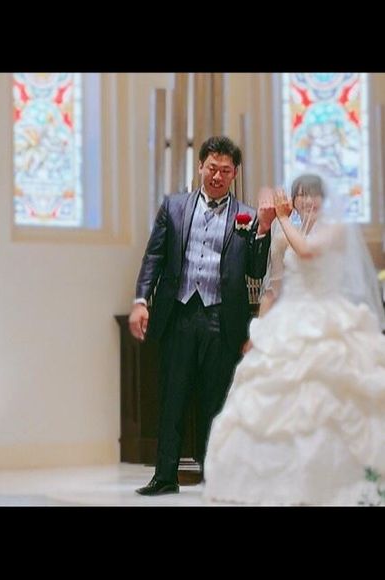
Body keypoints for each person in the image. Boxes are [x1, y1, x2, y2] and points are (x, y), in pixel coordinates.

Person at [203, 173, 385, 506]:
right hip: (288, 318)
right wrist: (258, 330)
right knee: (269, 401)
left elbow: (307, 251)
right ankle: (274, 483)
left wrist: (283, 218)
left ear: (324, 200)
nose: (307, 201)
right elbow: (274, 286)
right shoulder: (286, 230)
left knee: (327, 398)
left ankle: (337, 481)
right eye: (301, 195)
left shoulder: (336, 228)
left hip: (326, 317)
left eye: (313, 195)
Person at [129, 135, 274, 496]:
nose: (217, 176)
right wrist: (141, 300)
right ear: (200, 167)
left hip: (222, 318)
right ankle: (165, 476)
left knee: (216, 402)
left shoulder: (246, 215)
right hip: (178, 313)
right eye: (212, 168)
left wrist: (263, 229)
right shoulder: (174, 206)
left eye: (225, 170)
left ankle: (217, 477)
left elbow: (256, 271)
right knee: (172, 397)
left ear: (234, 173)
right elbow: (154, 256)